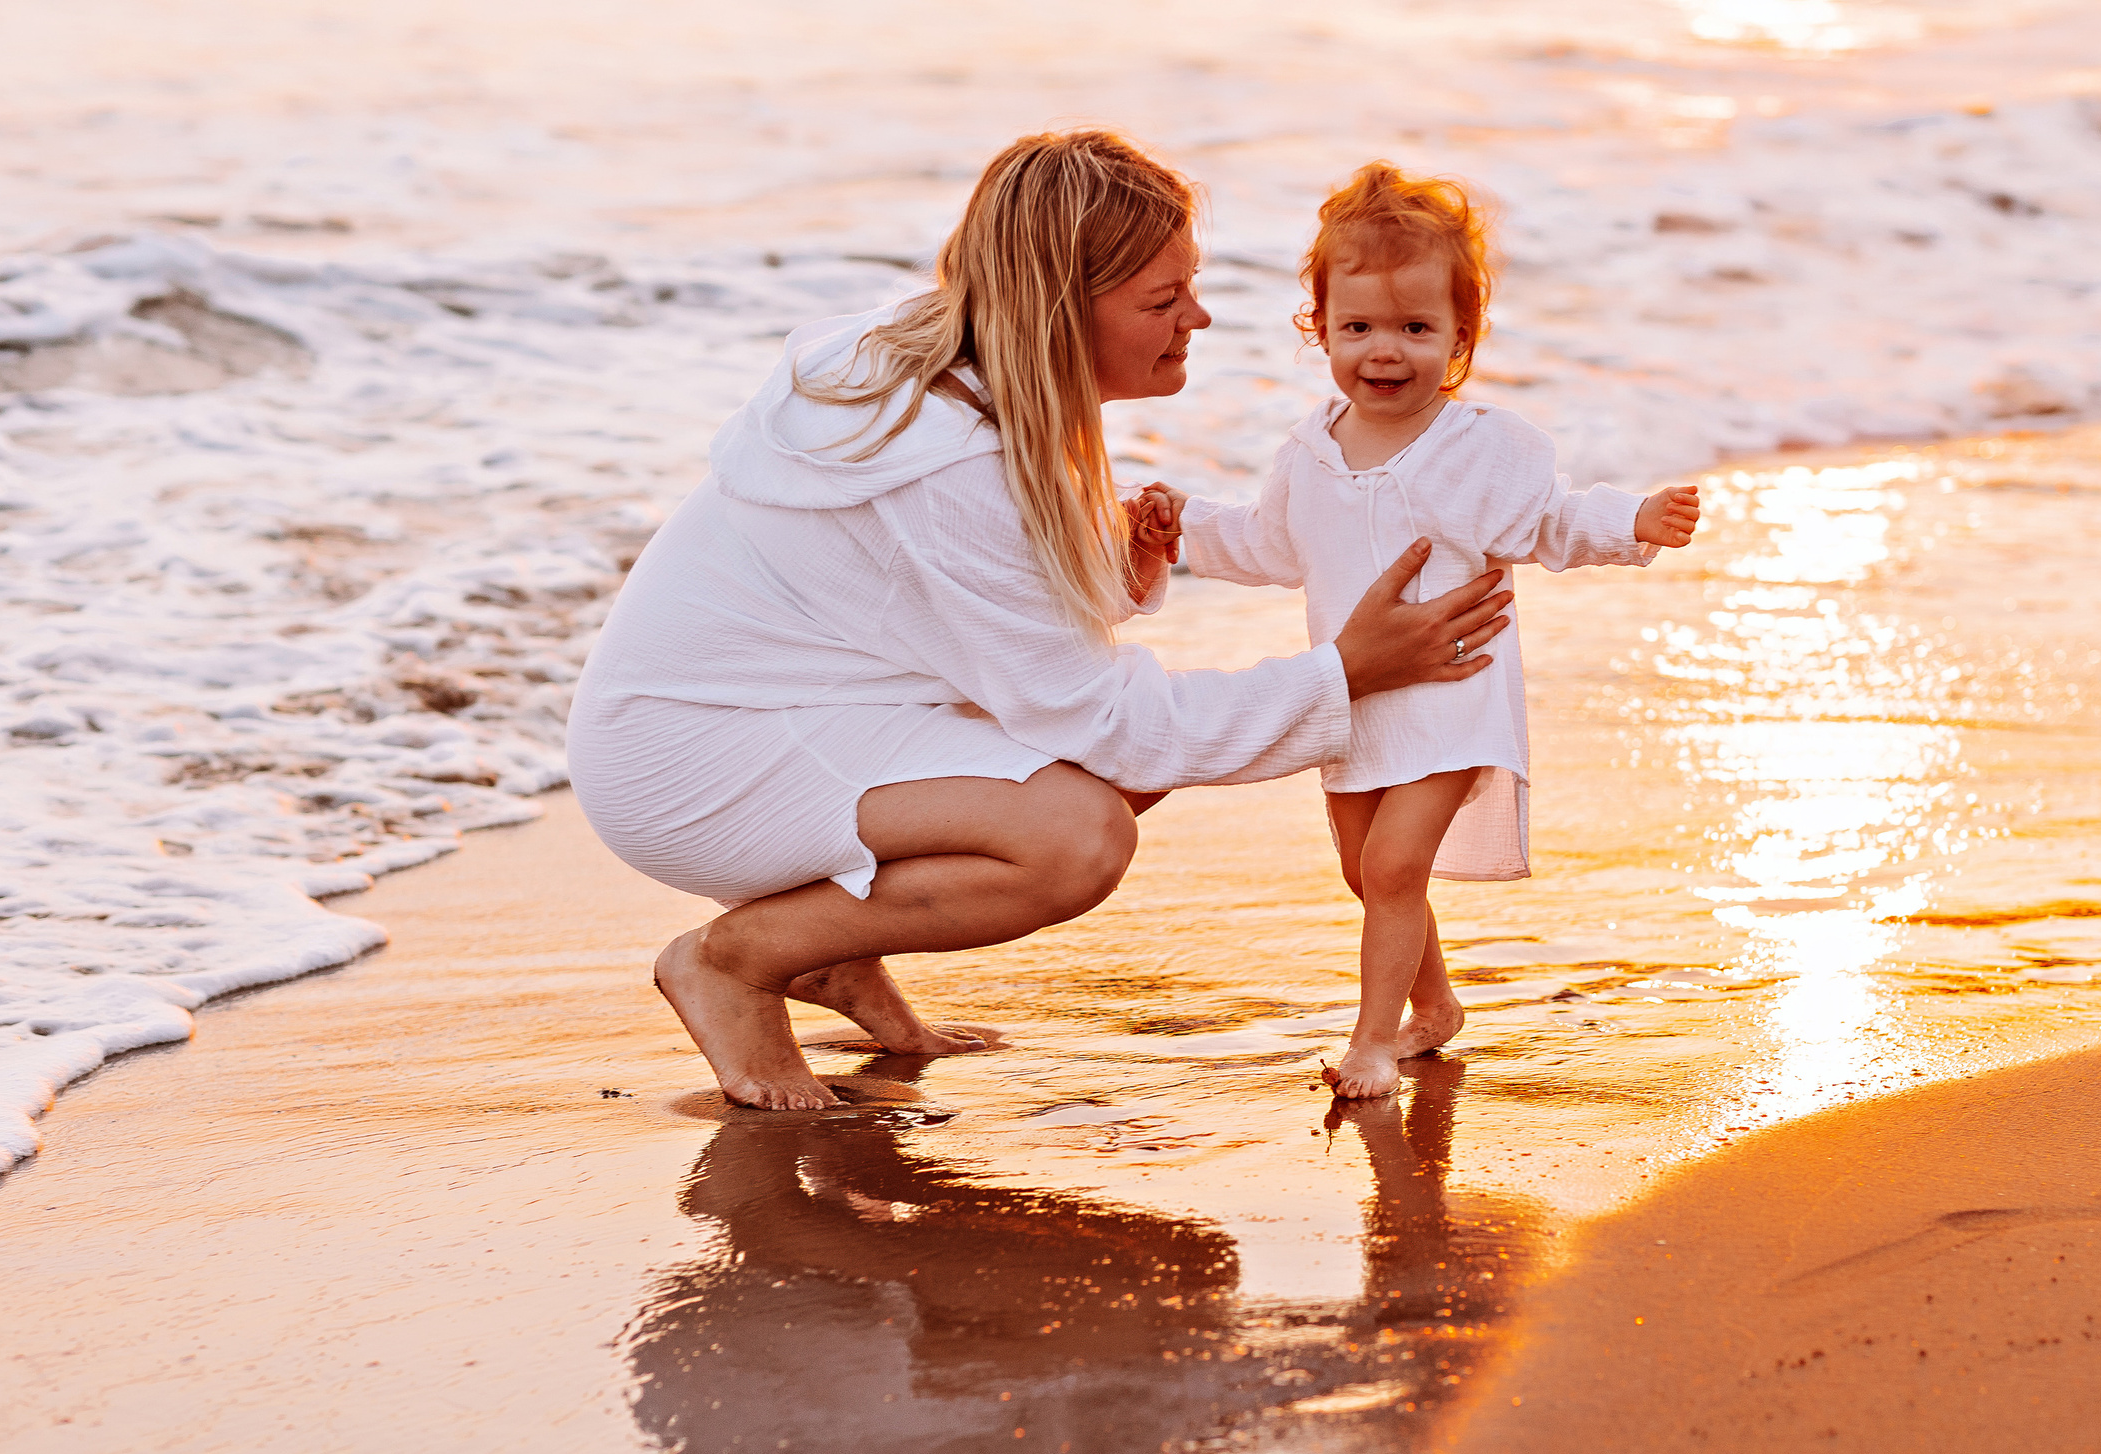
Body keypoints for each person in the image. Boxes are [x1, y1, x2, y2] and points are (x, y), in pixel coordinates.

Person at [564, 131, 1511, 1111]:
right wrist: (1345, 671)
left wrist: (1121, 556)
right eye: (1160, 300)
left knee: (1108, 772)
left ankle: (831, 956)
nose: (1199, 316)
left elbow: (958, 600)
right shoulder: (946, 458)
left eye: (1189, 284)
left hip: (770, 714)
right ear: (1061, 309)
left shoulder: (963, 366)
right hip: (690, 762)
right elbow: (1109, 722)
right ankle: (736, 960)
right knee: (1076, 833)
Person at [1139, 162, 1702, 1099]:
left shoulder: (1480, 450)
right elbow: (1269, 542)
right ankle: (1435, 1008)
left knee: (1398, 862)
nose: (1383, 352)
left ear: (1461, 336)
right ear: (1319, 329)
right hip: (1353, 697)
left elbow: (1549, 521)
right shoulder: (1309, 452)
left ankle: (1372, 1041)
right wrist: (1183, 524)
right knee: (1369, 869)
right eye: (1356, 328)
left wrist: (1631, 519)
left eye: (1414, 328)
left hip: (1452, 690)